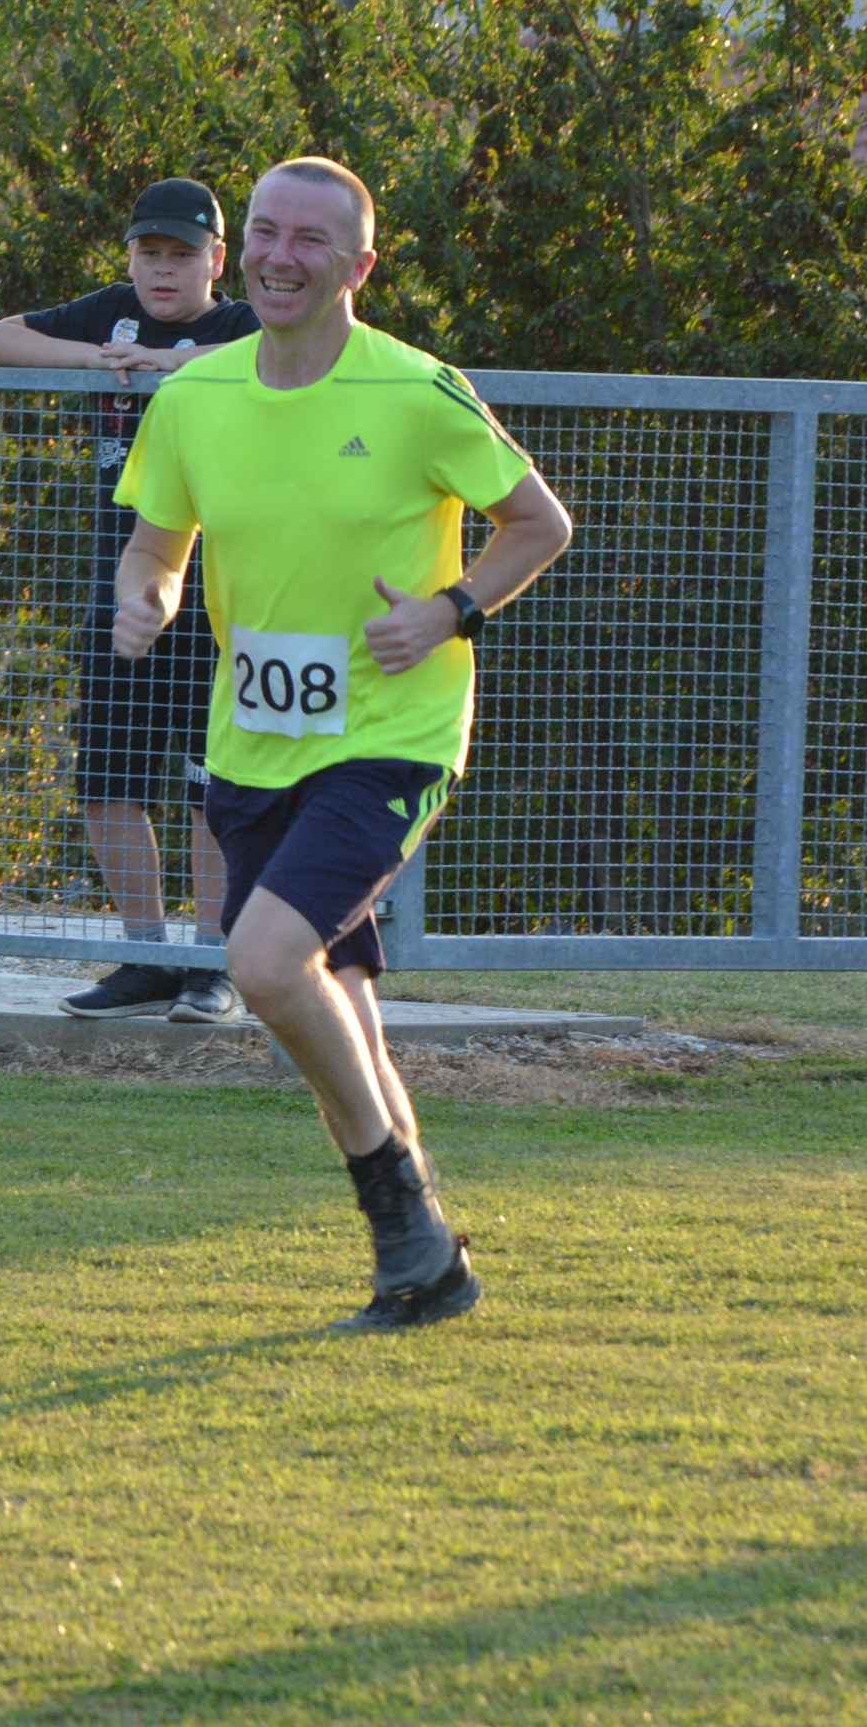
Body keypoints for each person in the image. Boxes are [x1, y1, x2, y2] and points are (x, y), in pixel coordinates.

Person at [112, 155, 571, 1331]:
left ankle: (398, 1215)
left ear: (358, 266)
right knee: (340, 997)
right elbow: (157, 544)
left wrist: (449, 608)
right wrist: (146, 598)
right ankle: (426, 1264)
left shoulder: (418, 391)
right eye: (263, 232)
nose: (277, 255)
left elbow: (538, 522)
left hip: (391, 733)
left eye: (310, 240)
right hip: (253, 742)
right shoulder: (194, 394)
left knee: (264, 965)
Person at [0, 178, 257, 1022]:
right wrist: (105, 358)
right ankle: (144, 955)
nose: (163, 271)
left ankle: (215, 963)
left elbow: (288, 356)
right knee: (106, 775)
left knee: (217, 783)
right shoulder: (111, 314)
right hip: (120, 579)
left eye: (181, 255)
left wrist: (172, 367)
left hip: (219, 588)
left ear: (217, 259)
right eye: (148, 254)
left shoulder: (240, 327)